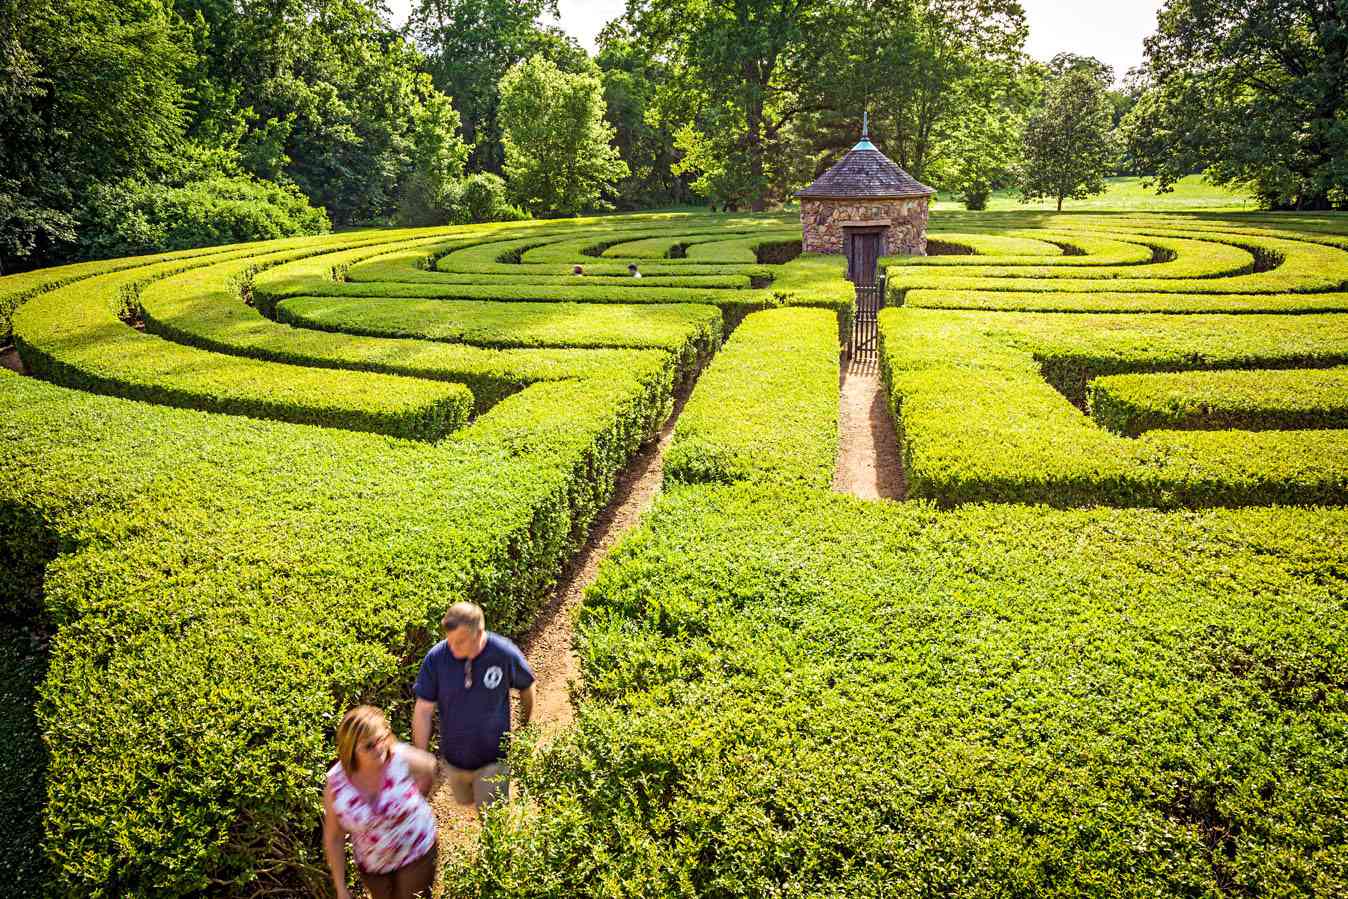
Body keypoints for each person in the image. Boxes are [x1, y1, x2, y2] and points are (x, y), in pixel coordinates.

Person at [413, 602, 535, 809]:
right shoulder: (436, 658)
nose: (452, 648)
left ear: (479, 634)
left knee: (493, 817)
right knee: (465, 801)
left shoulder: (503, 653)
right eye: (449, 640)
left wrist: (525, 727)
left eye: (459, 642)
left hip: (493, 759)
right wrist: (420, 757)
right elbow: (423, 710)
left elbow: (527, 686)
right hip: (454, 759)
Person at [323, 705, 438, 899]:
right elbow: (334, 837)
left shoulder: (399, 757)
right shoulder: (336, 784)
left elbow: (430, 766)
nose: (379, 748)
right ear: (351, 749)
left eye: (381, 739)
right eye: (369, 745)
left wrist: (417, 799)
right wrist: (341, 888)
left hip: (416, 851)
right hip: (373, 866)